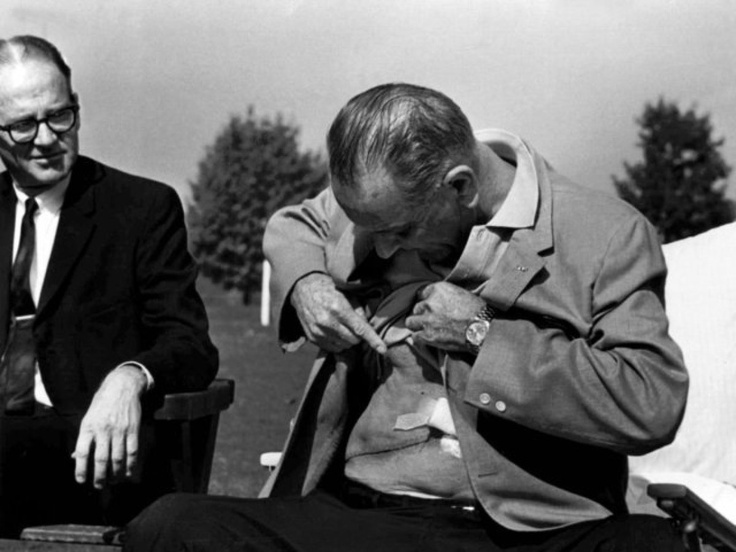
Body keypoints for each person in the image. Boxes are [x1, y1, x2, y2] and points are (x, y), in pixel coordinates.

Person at [125, 83, 687, 551]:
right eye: (370, 231)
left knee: (650, 546)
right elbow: (293, 224)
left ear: (461, 186)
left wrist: (481, 334)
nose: (382, 249)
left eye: (398, 232)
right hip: (366, 518)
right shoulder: (385, 200)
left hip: (529, 531)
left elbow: (650, 402)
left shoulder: (606, 235)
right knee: (170, 527)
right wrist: (309, 285)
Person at [0, 35, 218, 537]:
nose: (47, 138)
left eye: (60, 116)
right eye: (23, 125)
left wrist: (131, 376)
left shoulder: (142, 210)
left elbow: (190, 344)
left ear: (76, 107)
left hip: (93, 460)